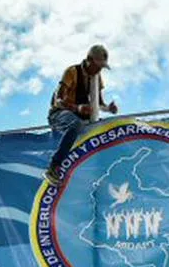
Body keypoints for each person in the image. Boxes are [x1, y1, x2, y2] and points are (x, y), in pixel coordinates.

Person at [44, 44, 118, 186]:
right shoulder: (71, 72)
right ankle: (53, 167)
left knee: (103, 127)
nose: (99, 69)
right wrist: (78, 108)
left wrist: (109, 108)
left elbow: (99, 103)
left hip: (79, 115)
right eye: (98, 65)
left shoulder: (97, 78)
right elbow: (57, 100)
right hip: (59, 114)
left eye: (102, 67)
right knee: (76, 124)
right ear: (89, 60)